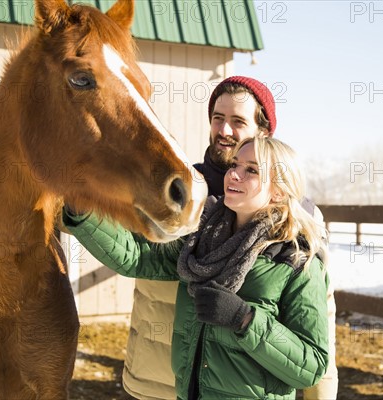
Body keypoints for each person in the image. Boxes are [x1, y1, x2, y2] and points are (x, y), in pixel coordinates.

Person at [67, 76, 339, 399]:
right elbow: (139, 256)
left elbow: (316, 350)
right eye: (217, 118)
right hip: (165, 383)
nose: (224, 130)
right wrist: (80, 211)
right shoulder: (188, 201)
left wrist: (244, 320)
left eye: (237, 121)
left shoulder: (296, 244)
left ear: (263, 134)